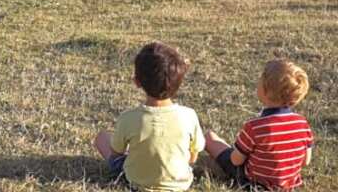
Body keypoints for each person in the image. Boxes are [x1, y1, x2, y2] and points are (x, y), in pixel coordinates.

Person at [93, 42, 205, 191]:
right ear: (179, 83)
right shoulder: (189, 115)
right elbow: (193, 156)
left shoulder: (128, 118)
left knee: (102, 137)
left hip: (135, 182)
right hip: (180, 184)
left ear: (137, 82)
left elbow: (116, 152)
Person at [205, 59, 314, 190]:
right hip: (288, 185)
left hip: (252, 183)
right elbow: (305, 161)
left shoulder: (255, 127)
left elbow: (236, 160)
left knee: (210, 138)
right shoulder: (302, 123)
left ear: (266, 91)